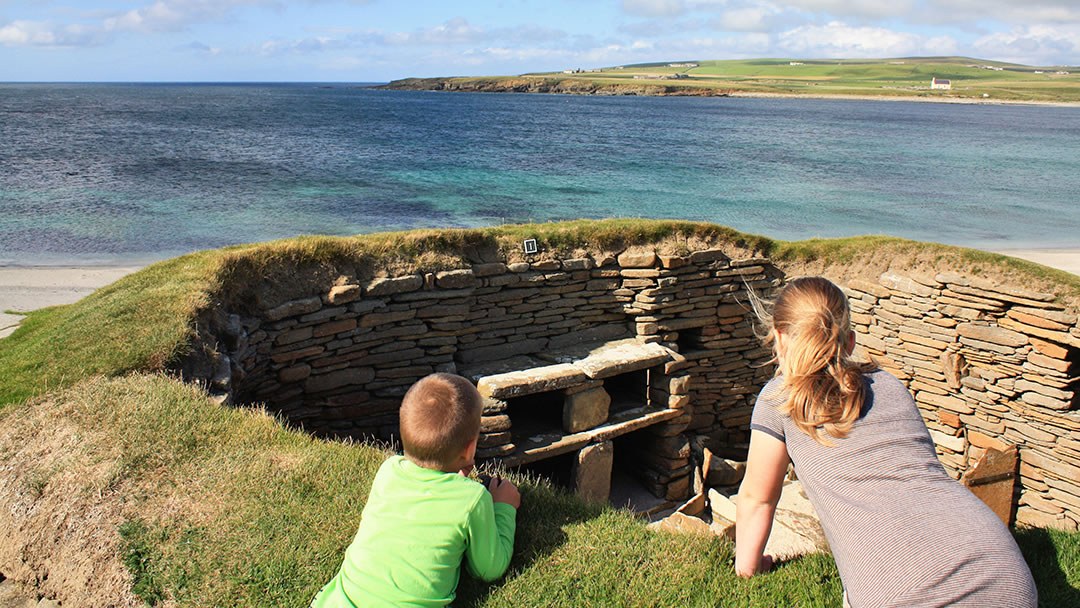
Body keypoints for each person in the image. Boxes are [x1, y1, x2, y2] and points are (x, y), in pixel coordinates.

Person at [734, 277, 1036, 607]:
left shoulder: (781, 399)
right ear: (849, 341)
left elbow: (757, 498)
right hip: (1003, 573)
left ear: (778, 338)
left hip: (902, 595)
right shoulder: (889, 386)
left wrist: (748, 568)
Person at [311, 373, 520, 608]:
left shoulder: (389, 470)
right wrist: (504, 507)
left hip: (342, 601)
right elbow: (488, 568)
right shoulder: (473, 498)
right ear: (470, 448)